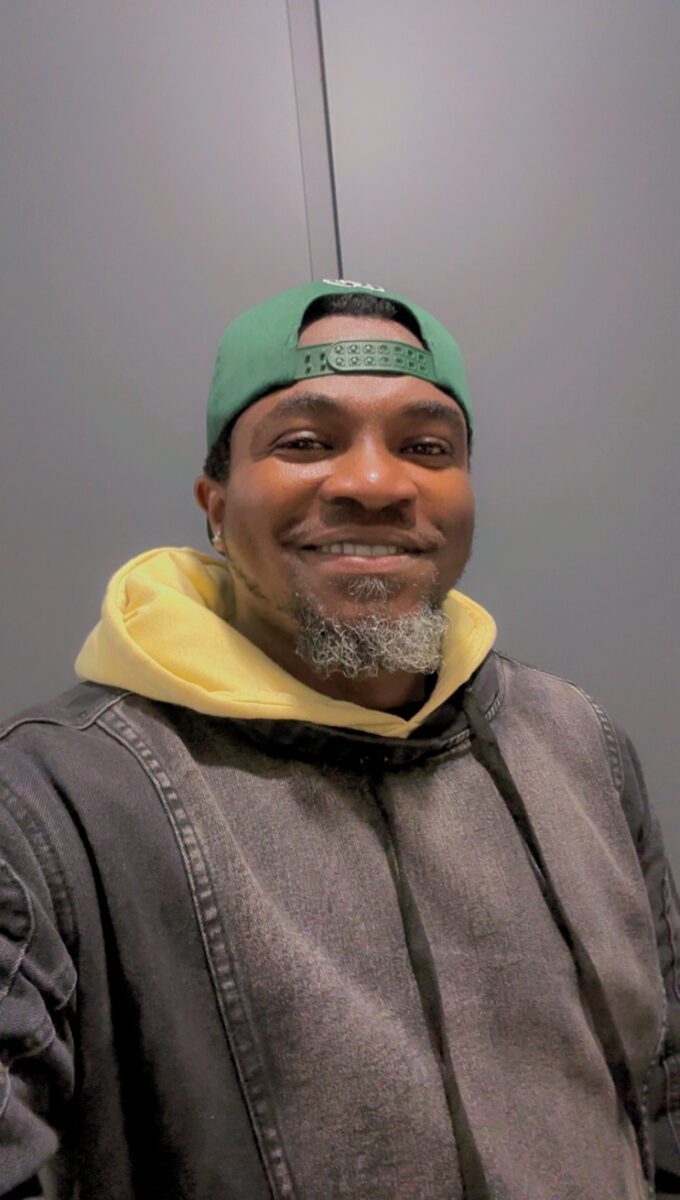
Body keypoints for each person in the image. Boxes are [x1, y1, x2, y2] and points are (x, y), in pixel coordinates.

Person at [0, 278, 678, 1200]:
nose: (375, 484)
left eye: (426, 447)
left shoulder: (582, 745)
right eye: (306, 443)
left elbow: (663, 1082)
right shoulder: (51, 803)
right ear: (214, 504)